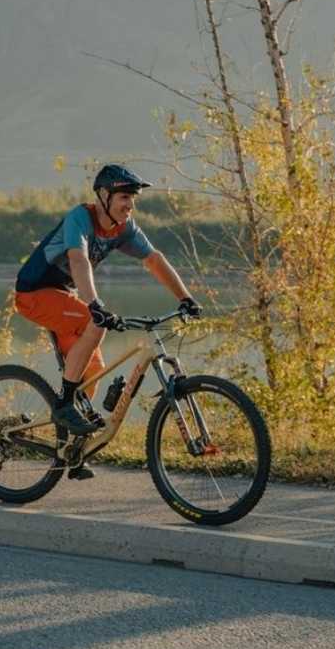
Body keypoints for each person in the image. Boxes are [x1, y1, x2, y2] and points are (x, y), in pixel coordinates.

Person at [14, 164, 200, 465]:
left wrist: (186, 298)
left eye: (133, 199)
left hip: (65, 297)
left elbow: (154, 260)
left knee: (94, 367)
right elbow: (79, 260)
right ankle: (63, 405)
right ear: (103, 195)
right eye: (124, 197)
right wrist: (94, 304)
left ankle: (73, 450)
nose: (130, 205)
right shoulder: (81, 217)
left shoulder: (124, 229)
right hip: (34, 293)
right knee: (93, 322)